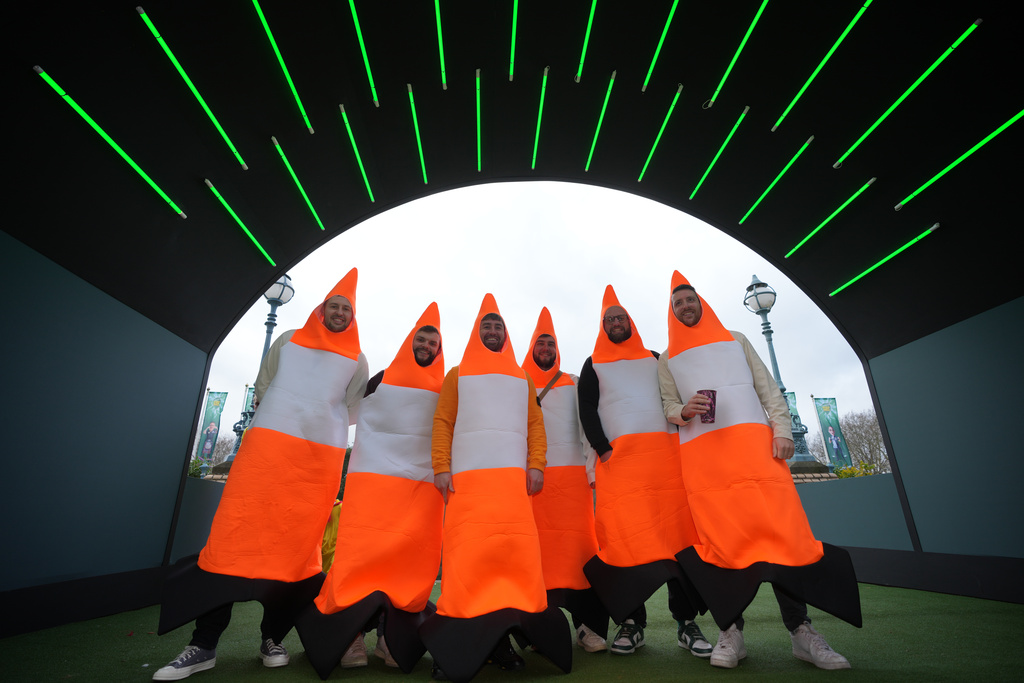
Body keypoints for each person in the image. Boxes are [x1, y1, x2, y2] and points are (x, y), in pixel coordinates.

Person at [153, 269, 369, 681]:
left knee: (293, 553)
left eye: (346, 309)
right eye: (334, 306)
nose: (340, 313)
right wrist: (280, 422)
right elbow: (264, 384)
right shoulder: (288, 340)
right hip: (266, 456)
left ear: (352, 317)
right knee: (230, 543)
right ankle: (204, 645)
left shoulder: (357, 360)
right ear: (322, 309)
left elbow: (353, 408)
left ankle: (272, 637)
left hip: (314, 467)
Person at [660, 272, 860, 670]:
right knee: (721, 544)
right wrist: (683, 410)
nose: (685, 306)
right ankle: (730, 631)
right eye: (677, 303)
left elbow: (768, 388)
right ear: (672, 311)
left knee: (782, 537)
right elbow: (667, 405)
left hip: (757, 454)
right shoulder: (666, 359)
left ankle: (801, 632)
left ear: (701, 302)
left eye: (689, 299)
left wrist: (781, 429)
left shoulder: (736, 339)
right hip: (705, 464)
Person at [420, 295, 570, 683]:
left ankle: (500, 643)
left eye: (497, 327)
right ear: (477, 331)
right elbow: (443, 422)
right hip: (468, 487)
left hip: (512, 489)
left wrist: (536, 464)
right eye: (486, 326)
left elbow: (535, 424)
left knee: (510, 562)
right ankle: (452, 647)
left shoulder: (521, 377)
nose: (492, 331)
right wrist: (441, 467)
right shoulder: (457, 374)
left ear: (505, 335)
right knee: (466, 563)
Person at [297, 304, 446, 678]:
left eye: (433, 343)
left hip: (418, 492)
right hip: (374, 488)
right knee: (361, 561)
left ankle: (388, 637)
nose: (426, 347)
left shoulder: (444, 388)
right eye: (422, 340)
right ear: (410, 341)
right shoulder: (380, 378)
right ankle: (350, 635)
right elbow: (361, 422)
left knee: (404, 567)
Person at [577, 286, 711, 659]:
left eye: (620, 318)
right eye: (609, 320)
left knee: (678, 542)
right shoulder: (593, 363)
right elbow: (586, 409)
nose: (616, 323)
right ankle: (632, 623)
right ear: (602, 326)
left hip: (665, 466)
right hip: (620, 468)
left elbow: (673, 399)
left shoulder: (655, 359)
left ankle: (686, 623)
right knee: (625, 542)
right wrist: (603, 449)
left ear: (630, 321)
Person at [521, 308, 608, 654]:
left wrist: (591, 471)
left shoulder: (572, 381)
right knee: (534, 555)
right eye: (540, 343)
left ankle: (587, 626)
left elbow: (587, 426)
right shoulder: (516, 381)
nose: (546, 349)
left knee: (580, 553)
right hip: (531, 483)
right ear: (531, 347)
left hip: (572, 483)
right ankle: (536, 630)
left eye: (551, 344)